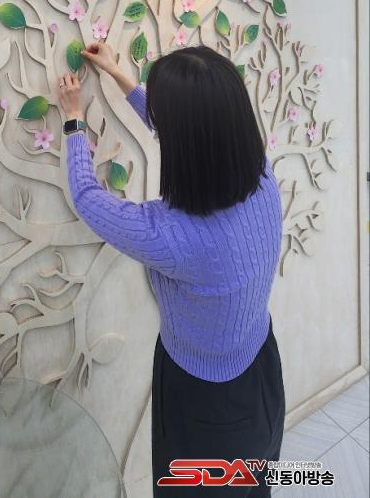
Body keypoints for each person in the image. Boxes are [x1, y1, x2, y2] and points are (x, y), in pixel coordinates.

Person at [57, 42, 285, 496]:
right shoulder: (261, 173)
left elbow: (86, 197)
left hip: (204, 401)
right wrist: (119, 75)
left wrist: (73, 119)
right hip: (262, 373)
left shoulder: (174, 235)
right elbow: (194, 129)